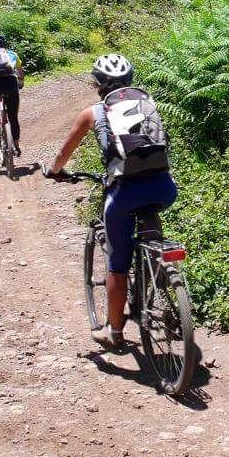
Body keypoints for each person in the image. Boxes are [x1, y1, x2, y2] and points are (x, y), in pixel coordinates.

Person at [45, 53, 177, 351]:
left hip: (125, 193)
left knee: (117, 264)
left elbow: (64, 153)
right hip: (163, 188)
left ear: (97, 83)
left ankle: (113, 331)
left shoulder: (92, 113)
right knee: (150, 224)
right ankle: (157, 275)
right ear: (129, 80)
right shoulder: (147, 102)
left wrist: (55, 173)